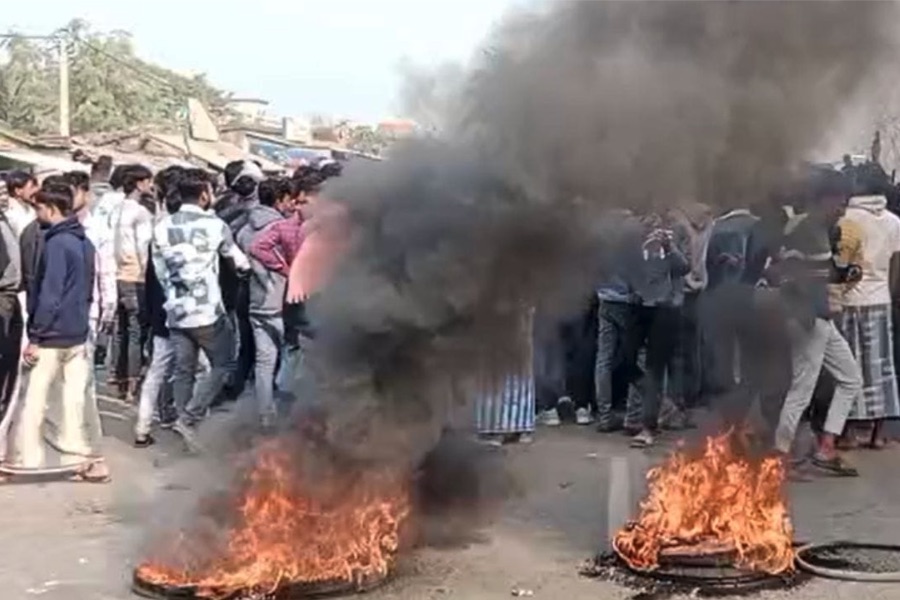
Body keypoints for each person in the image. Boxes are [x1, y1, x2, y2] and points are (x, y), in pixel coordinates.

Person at [0, 185, 109, 483]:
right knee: (76, 402)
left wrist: (36, 336)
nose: (37, 214)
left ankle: (21, 462)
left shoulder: (57, 244)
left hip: (52, 334)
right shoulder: (84, 242)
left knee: (32, 400)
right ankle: (89, 461)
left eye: (39, 208)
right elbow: (87, 290)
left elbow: (51, 293)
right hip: (76, 332)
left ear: (50, 208)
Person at [770, 168, 862, 477]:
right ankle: (780, 457)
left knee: (850, 379)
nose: (843, 210)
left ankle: (826, 447)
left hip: (821, 318)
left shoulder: (819, 230)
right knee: (802, 389)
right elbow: (787, 275)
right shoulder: (805, 230)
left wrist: (842, 273)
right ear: (825, 199)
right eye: (841, 203)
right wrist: (803, 314)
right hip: (808, 320)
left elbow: (817, 271)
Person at [151, 169, 249, 451]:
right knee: (223, 364)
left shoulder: (162, 226)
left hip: (175, 309)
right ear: (205, 195)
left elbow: (160, 271)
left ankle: (185, 425)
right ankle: (190, 418)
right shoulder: (216, 225)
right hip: (207, 311)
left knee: (184, 369)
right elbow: (239, 261)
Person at [835, 173, 900, 448]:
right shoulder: (894, 221)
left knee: (850, 367)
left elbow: (841, 262)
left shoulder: (846, 218)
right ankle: (878, 433)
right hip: (881, 299)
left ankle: (849, 431)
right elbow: (896, 263)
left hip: (851, 300)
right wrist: (890, 294)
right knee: (881, 365)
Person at [629, 211, 692, 448]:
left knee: (655, 367)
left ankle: (647, 425)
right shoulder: (639, 234)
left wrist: (669, 246)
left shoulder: (678, 230)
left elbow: (685, 267)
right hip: (639, 305)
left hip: (666, 309)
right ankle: (662, 403)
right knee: (624, 359)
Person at [134, 167, 185, 447]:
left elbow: (150, 278)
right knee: (198, 369)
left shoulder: (158, 231)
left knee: (157, 371)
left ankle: (143, 427)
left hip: (162, 314)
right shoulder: (192, 234)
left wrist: (152, 314)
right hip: (188, 315)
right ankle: (185, 423)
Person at [237, 177, 293, 429]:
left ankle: (265, 416)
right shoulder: (282, 228)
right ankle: (288, 416)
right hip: (281, 302)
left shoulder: (245, 229)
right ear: (280, 199)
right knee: (291, 359)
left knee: (264, 363)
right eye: (289, 199)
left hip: (256, 302)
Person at [108, 165, 154, 401]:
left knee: (120, 329)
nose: (150, 186)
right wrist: (147, 275)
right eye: (148, 182)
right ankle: (133, 384)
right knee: (136, 331)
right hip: (135, 275)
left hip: (116, 273)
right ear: (139, 184)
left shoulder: (116, 209)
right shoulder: (141, 213)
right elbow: (143, 247)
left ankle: (118, 378)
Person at [0, 180, 22, 420]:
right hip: (2, 294)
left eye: (5, 192)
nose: (4, 197)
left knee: (8, 351)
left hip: (10, 294)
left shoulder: (5, 219)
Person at [5, 170, 38, 237]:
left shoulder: (31, 208)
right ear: (18, 191)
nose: (36, 189)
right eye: (32, 187)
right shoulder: (12, 217)